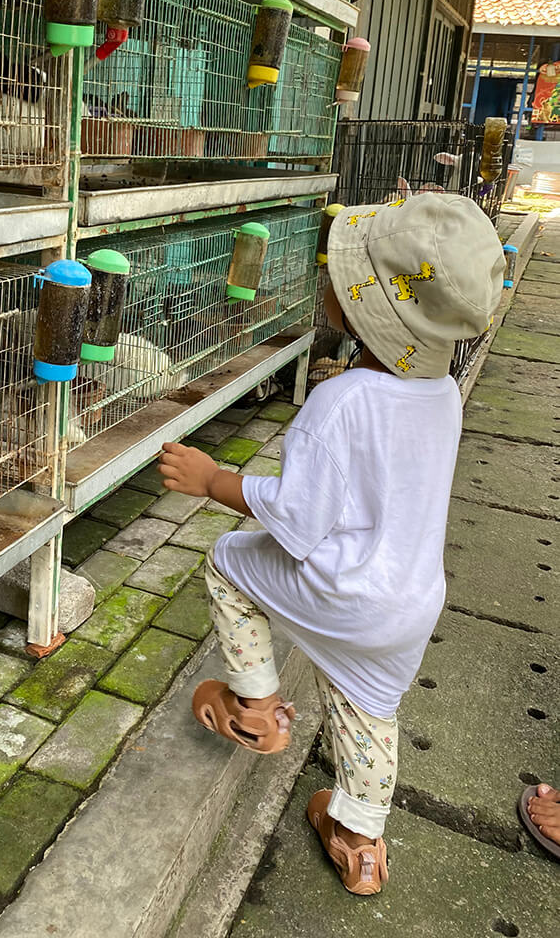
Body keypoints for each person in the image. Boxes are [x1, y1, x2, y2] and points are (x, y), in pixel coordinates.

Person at [159, 193, 504, 895]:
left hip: (347, 592)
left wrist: (214, 479)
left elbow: (296, 523)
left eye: (339, 273)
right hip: (409, 605)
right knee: (369, 707)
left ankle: (255, 705)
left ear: (364, 308)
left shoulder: (339, 403)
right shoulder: (442, 396)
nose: (325, 276)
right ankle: (362, 844)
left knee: (230, 564)